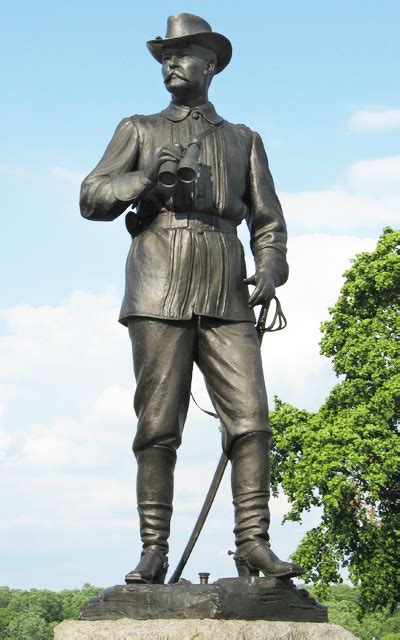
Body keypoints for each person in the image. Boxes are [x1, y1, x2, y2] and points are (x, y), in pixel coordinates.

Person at [80, 13, 303, 585]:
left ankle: (253, 542)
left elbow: (268, 221)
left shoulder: (243, 139)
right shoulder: (138, 128)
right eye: (164, 57)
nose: (170, 65)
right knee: (157, 425)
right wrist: (143, 181)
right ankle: (154, 549)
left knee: (251, 421)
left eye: (182, 55)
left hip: (227, 288)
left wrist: (271, 267)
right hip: (157, 283)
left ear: (211, 64)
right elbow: (92, 194)